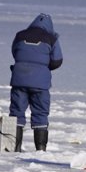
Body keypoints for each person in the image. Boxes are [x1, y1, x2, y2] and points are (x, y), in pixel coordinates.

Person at [8, 13, 63, 151]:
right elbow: (57, 61)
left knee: (16, 113)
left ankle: (15, 147)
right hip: (41, 84)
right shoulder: (51, 39)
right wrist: (43, 68)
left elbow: (15, 52)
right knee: (41, 114)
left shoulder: (20, 35)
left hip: (19, 79)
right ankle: (40, 149)